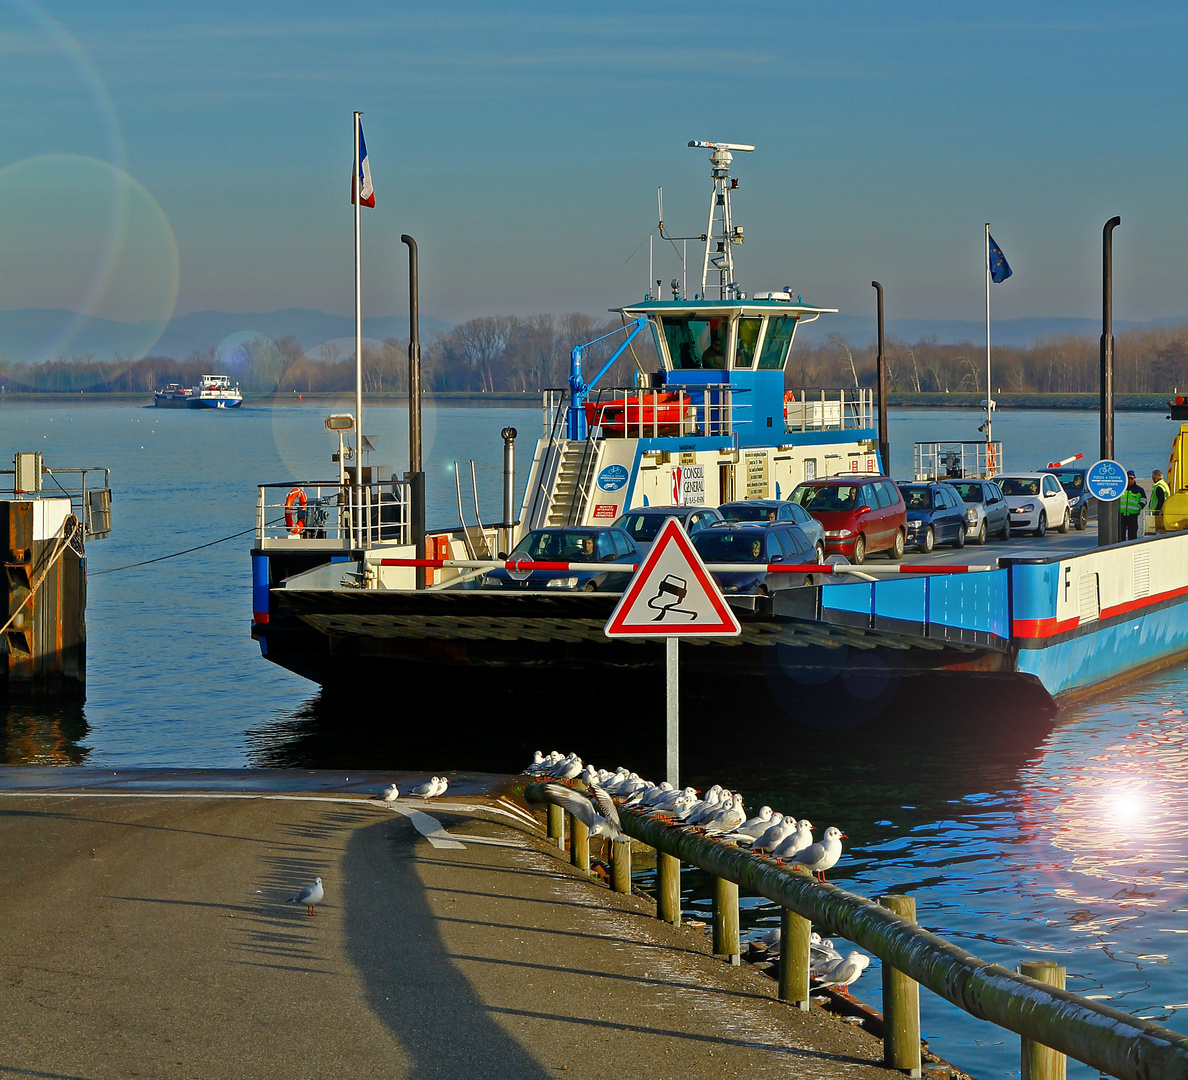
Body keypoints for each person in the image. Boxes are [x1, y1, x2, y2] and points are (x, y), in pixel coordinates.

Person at [1119, 470, 1147, 541]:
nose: (1130, 480)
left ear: (1134, 479)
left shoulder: (1139, 490)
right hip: (1121, 515)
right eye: (1128, 478)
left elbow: (1144, 500)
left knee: (1132, 536)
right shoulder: (1121, 489)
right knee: (1120, 535)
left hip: (1133, 516)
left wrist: (1139, 507)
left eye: (1131, 478)